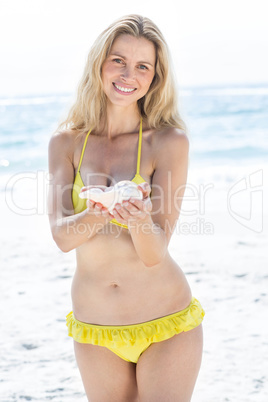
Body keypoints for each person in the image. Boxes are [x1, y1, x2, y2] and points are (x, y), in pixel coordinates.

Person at [48, 14, 205, 402]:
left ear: (155, 77)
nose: (128, 74)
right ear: (100, 62)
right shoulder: (66, 143)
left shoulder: (168, 142)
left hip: (165, 322)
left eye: (142, 66)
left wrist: (137, 221)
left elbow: (154, 253)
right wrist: (99, 211)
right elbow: (63, 237)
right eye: (118, 60)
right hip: (95, 326)